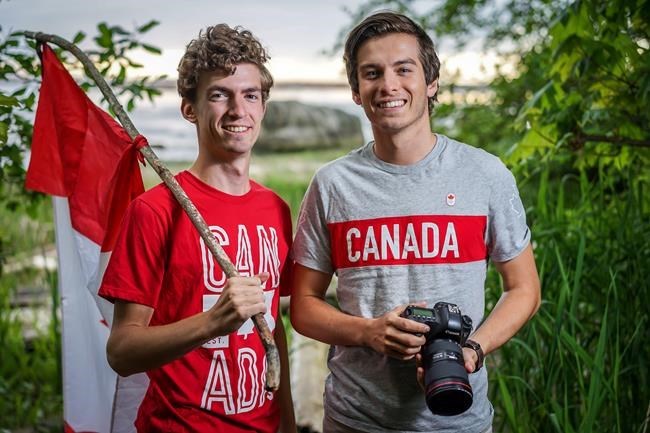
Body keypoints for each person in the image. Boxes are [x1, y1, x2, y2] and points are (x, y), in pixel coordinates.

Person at [290, 11, 541, 433]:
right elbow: (303, 307)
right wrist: (369, 331)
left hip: (459, 419)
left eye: (403, 69)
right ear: (356, 91)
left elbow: (524, 289)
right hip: (355, 418)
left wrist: (474, 350)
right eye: (372, 73)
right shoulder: (332, 184)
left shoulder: (485, 174)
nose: (388, 85)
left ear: (431, 82)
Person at [99, 24, 296, 433]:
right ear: (190, 108)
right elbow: (121, 351)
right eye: (220, 95)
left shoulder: (275, 208)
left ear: (263, 106)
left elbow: (272, 331)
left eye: (250, 95)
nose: (238, 110)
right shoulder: (154, 210)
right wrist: (214, 321)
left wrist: (289, 423)